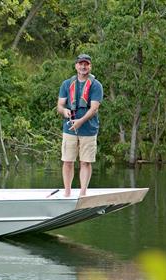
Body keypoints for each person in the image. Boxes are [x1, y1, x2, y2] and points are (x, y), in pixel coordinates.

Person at [56, 54, 103, 197]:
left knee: (85, 162)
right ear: (76, 66)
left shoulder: (96, 85)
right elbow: (60, 105)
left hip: (88, 129)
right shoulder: (66, 84)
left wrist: (80, 121)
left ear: (90, 66)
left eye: (86, 64)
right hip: (69, 129)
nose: (83, 67)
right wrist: (65, 111)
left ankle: (83, 193)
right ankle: (67, 193)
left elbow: (94, 108)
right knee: (68, 161)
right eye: (81, 64)